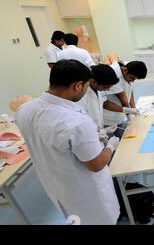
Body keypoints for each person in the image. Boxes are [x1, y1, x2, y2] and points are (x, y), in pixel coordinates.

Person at [15, 60, 121, 224]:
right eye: (86, 86)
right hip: (86, 193)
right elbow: (96, 164)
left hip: (57, 186)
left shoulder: (25, 110)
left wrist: (93, 137)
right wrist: (110, 147)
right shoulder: (77, 121)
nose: (86, 90)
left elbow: (52, 139)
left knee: (76, 219)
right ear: (78, 86)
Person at [103, 60, 147, 138]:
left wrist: (133, 108)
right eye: (132, 78)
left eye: (135, 79)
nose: (133, 80)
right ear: (124, 70)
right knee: (117, 142)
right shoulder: (114, 75)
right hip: (109, 117)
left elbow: (130, 89)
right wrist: (129, 114)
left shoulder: (128, 67)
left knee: (124, 136)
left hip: (120, 114)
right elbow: (123, 99)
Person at [77, 64, 119, 140]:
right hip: (88, 137)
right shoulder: (82, 96)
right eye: (106, 87)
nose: (108, 90)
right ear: (93, 81)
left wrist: (103, 131)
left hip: (98, 133)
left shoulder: (99, 89)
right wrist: (98, 134)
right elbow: (80, 122)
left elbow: (104, 103)